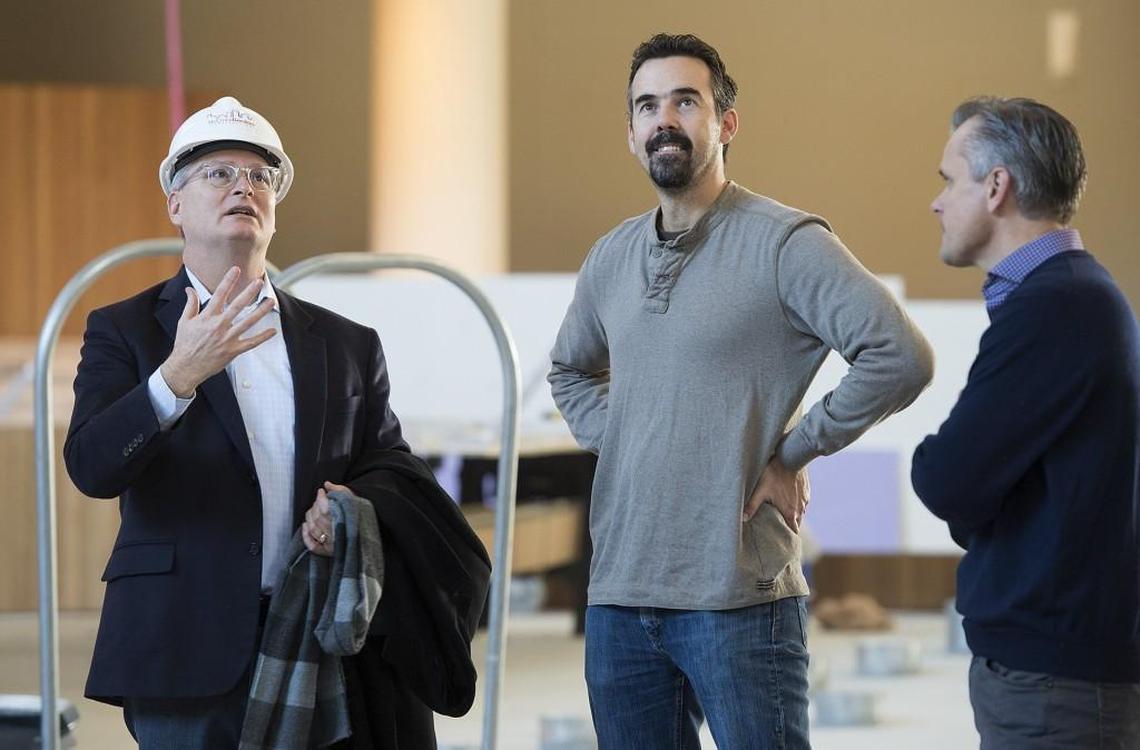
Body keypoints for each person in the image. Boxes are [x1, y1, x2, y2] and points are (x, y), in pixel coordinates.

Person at [64, 96, 488, 749]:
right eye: (219, 173)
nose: (244, 186)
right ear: (175, 205)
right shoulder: (124, 329)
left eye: (259, 177)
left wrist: (352, 503)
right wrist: (177, 376)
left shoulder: (347, 344)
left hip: (324, 632)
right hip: (184, 640)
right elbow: (92, 465)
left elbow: (390, 464)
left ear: (273, 206)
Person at [548, 33, 933, 748]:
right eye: (647, 105)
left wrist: (794, 452)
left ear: (725, 123)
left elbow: (899, 354)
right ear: (631, 134)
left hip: (739, 600)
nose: (665, 118)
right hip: (619, 600)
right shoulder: (610, 257)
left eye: (685, 101)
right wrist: (625, 436)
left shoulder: (786, 243)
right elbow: (569, 370)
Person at [912, 97, 1140, 748]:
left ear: (995, 187)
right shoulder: (1073, 297)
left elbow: (947, 480)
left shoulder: (1058, 307)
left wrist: (974, 495)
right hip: (1058, 676)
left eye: (947, 180)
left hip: (1054, 687)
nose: (937, 202)